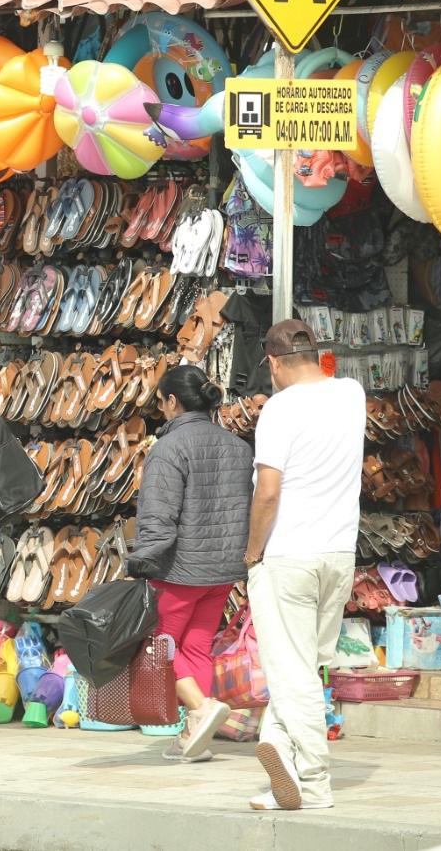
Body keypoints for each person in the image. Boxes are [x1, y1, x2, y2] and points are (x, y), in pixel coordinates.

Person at [243, 319, 363, 811]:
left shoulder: (277, 409)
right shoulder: (351, 394)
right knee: (304, 665)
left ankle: (313, 782)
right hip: (339, 553)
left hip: (289, 553)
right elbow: (330, 376)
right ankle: (280, 758)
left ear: (272, 363)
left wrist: (252, 552)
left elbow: (267, 492)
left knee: (292, 673)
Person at [127, 365, 253, 763]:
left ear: (171, 401)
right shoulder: (238, 446)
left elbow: (158, 516)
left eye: (160, 402)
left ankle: (200, 710)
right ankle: (192, 735)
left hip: (180, 568)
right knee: (196, 648)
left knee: (155, 643)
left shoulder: (170, 448)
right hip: (222, 570)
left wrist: (139, 560)